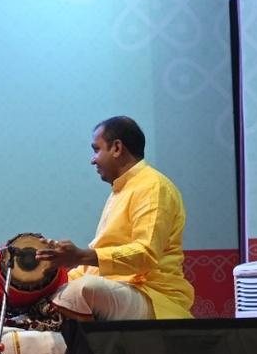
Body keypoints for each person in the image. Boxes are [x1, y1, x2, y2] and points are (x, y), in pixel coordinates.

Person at [38, 116, 195, 321]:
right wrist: (49, 275)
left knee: (84, 289)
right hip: (119, 290)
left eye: (96, 149)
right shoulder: (119, 191)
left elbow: (146, 254)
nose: (93, 160)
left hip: (152, 295)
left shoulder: (153, 186)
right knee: (46, 294)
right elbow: (94, 265)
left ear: (117, 148)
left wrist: (80, 256)